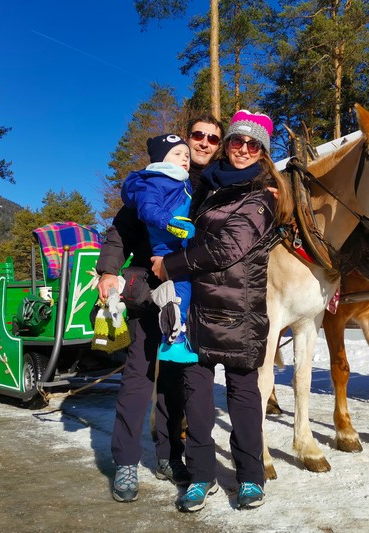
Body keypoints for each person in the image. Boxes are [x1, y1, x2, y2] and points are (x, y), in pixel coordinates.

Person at [151, 110, 292, 512]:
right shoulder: (209, 185)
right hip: (197, 308)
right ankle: (200, 475)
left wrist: (171, 265)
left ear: (263, 152)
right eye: (236, 141)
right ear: (227, 144)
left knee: (243, 397)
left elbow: (228, 247)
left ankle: (250, 477)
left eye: (253, 145)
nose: (243, 149)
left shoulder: (263, 194)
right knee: (197, 399)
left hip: (238, 311)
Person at [97, 116, 224, 504]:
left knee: (174, 380)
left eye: (212, 138)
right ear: (185, 141)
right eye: (197, 136)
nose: (204, 143)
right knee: (138, 374)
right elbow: (120, 229)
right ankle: (126, 462)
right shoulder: (154, 181)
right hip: (149, 289)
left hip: (190, 295)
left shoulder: (215, 184)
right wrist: (106, 271)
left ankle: (170, 456)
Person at [120, 134, 197, 363]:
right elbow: (147, 208)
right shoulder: (154, 181)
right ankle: (172, 341)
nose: (185, 159)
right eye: (177, 154)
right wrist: (170, 223)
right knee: (180, 290)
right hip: (167, 244)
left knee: (183, 289)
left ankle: (177, 337)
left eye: (186, 155)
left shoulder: (180, 181)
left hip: (180, 242)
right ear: (162, 159)